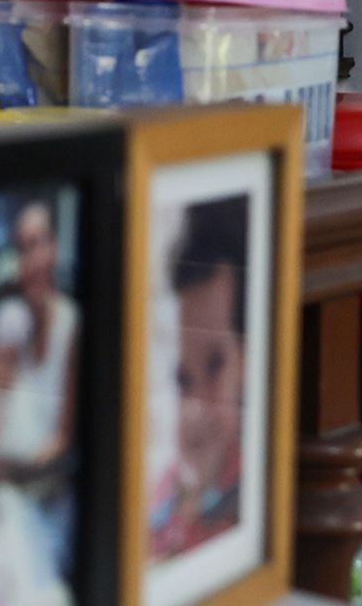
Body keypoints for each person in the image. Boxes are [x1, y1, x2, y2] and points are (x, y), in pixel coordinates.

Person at [0, 201, 79, 576]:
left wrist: (10, 472)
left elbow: (64, 439)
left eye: (38, 244)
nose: (32, 259)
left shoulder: (71, 324)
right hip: (0, 495)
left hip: (45, 498)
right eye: (23, 248)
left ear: (53, 249)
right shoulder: (9, 320)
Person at [151, 196, 249, 560]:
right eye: (182, 379)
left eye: (215, 366)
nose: (196, 409)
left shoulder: (245, 507)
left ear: (244, 360)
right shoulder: (164, 489)